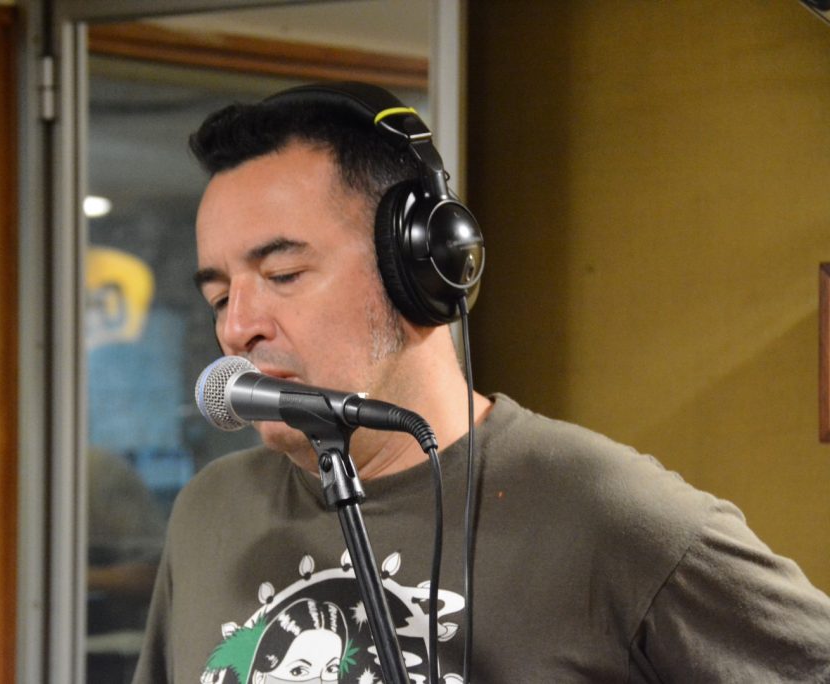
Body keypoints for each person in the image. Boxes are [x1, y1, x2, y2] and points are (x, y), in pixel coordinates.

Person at [132, 82, 830, 683]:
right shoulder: (208, 514)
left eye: (283, 275)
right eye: (219, 296)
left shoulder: (612, 517)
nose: (237, 327)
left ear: (421, 269)